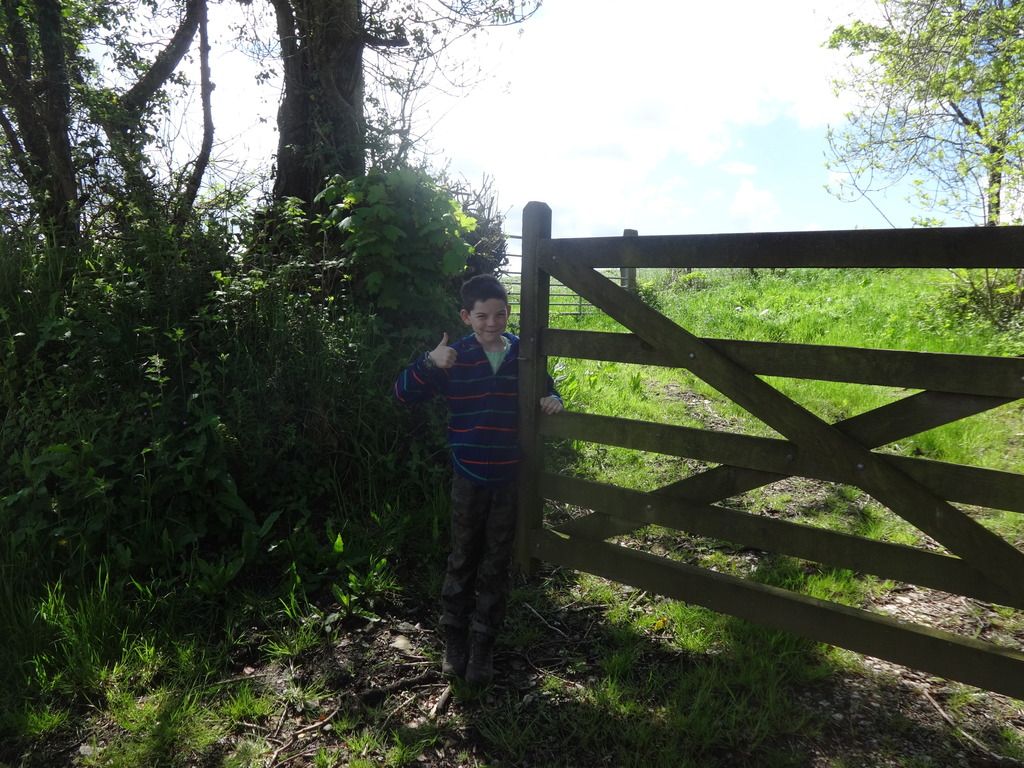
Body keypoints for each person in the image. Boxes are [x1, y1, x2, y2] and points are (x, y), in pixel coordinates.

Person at [393, 274, 563, 684]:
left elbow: (546, 388)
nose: (492, 323)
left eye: (500, 314)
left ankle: (483, 642)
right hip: (468, 474)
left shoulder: (522, 353)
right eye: (482, 316)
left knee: (497, 560)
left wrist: (553, 398)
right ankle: (455, 639)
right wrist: (428, 362)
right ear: (466, 317)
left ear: (508, 313)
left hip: (509, 475)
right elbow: (401, 394)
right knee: (463, 555)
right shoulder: (454, 357)